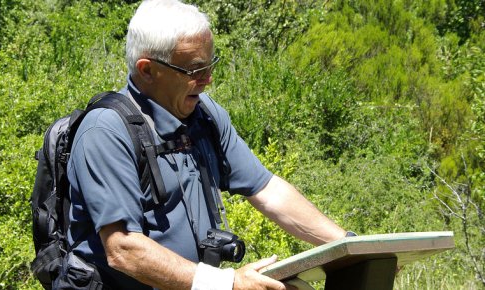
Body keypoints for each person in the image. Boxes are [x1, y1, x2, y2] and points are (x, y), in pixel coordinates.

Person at [65, 0, 349, 289]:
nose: (207, 80)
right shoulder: (105, 131)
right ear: (147, 70)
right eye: (194, 71)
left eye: (210, 65)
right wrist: (230, 284)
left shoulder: (205, 116)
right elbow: (123, 249)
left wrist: (349, 246)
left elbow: (266, 190)